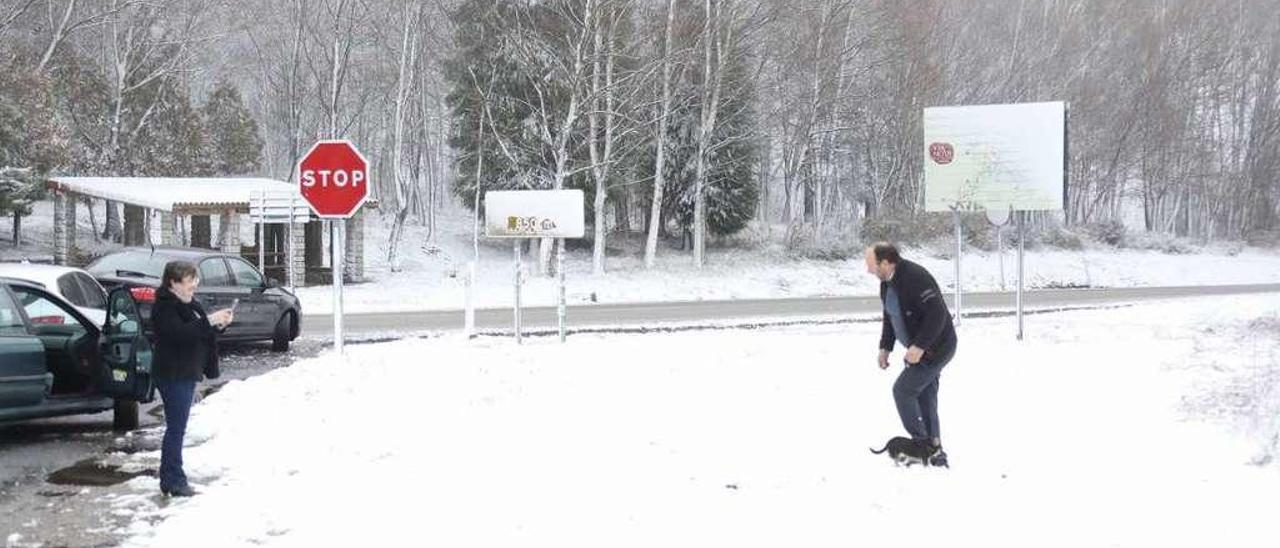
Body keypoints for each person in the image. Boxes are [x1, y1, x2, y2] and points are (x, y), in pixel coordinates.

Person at [864, 242, 957, 467]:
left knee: (903, 390)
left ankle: (922, 443)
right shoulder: (886, 284)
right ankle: (935, 451)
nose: (868, 270)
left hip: (937, 347)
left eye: (871, 265)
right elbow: (890, 316)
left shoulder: (915, 277)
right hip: (919, 349)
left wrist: (920, 346)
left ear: (886, 262)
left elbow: (937, 314)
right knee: (925, 395)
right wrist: (885, 347)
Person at [151, 261, 233, 497]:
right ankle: (173, 480)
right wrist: (209, 320)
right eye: (189, 281)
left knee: (178, 428)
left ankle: (173, 477)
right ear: (173, 283)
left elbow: (200, 332)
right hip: (172, 374)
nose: (193, 286)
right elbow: (181, 334)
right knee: (176, 429)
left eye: (194, 280)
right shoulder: (165, 307)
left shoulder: (189, 304)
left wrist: (219, 325)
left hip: (186, 372)